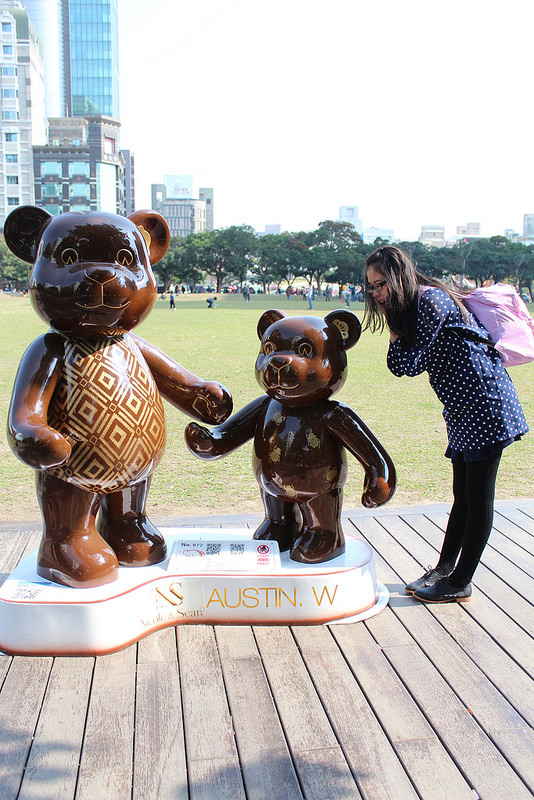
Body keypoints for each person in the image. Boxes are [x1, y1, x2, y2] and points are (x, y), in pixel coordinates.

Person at [363, 245, 529, 603]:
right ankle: (444, 570)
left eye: (381, 284)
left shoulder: (431, 301)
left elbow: (409, 363)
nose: (376, 293)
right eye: (371, 287)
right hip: (462, 409)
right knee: (462, 497)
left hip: (484, 403)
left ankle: (460, 580)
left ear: (397, 276)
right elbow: (399, 365)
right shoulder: (412, 308)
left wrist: (395, 333)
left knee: (477, 497)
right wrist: (395, 331)